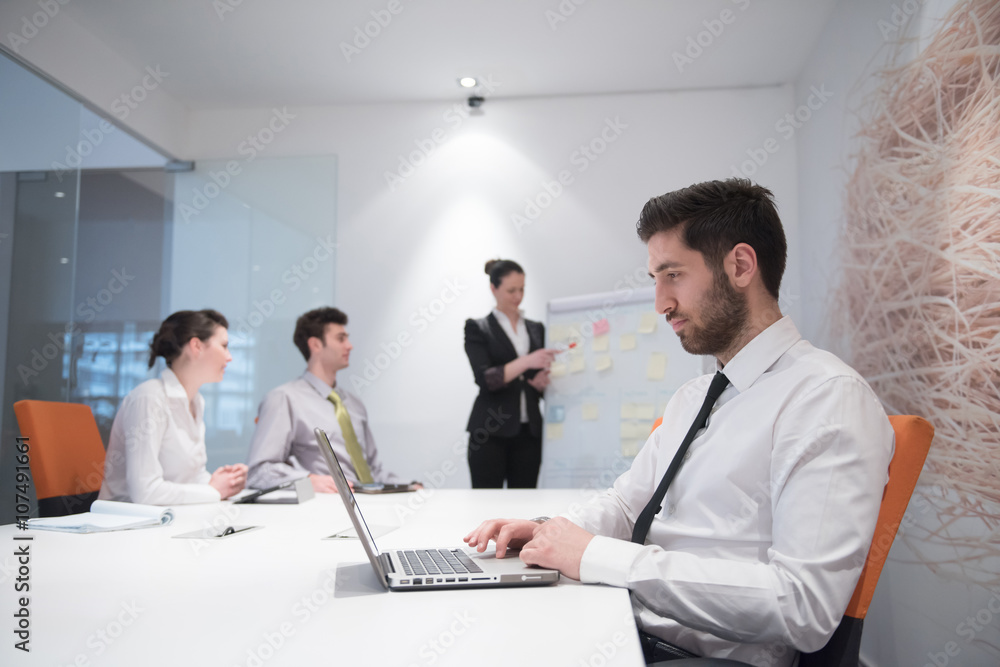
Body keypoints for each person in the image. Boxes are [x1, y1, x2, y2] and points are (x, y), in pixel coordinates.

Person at [464, 179, 894, 666]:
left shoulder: (826, 399)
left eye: (673, 275)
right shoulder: (694, 397)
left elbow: (801, 607)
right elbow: (629, 506)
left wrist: (598, 557)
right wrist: (549, 531)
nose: (660, 302)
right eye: (655, 279)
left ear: (740, 266)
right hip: (629, 629)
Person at [246, 307, 405, 492]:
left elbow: (373, 470)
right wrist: (308, 481)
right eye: (341, 338)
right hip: (327, 507)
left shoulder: (354, 404)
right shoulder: (284, 399)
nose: (349, 345)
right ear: (315, 345)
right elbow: (260, 471)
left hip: (371, 501)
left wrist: (410, 486)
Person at [100, 309, 248, 505]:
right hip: (128, 524)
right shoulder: (149, 398)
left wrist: (223, 483)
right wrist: (213, 491)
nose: (229, 357)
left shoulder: (196, 401)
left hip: (172, 517)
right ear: (196, 346)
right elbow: (146, 492)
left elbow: (189, 479)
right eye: (224, 346)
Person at [464, 259, 559, 488]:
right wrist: (526, 361)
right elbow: (486, 379)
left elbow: (534, 376)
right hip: (489, 433)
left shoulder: (536, 328)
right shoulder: (477, 328)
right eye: (511, 290)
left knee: (525, 507)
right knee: (486, 506)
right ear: (493, 289)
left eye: (522, 289)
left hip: (529, 432)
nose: (518, 296)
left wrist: (538, 383)